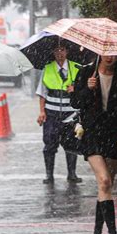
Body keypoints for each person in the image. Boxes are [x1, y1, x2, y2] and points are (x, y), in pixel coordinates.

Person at [70, 56, 117, 234]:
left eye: (114, 53)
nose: (110, 57)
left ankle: (97, 233)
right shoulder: (86, 72)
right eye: (106, 52)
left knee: (105, 187)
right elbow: (75, 102)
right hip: (92, 133)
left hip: (114, 134)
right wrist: (87, 89)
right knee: (104, 181)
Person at [36, 42, 83, 184]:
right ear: (53, 53)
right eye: (56, 50)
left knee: (72, 144)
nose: (59, 53)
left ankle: (72, 174)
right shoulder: (47, 68)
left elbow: (85, 90)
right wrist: (41, 111)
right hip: (51, 114)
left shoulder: (76, 67)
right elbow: (42, 93)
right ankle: (49, 175)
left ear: (67, 52)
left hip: (71, 114)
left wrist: (76, 89)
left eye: (62, 50)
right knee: (49, 144)